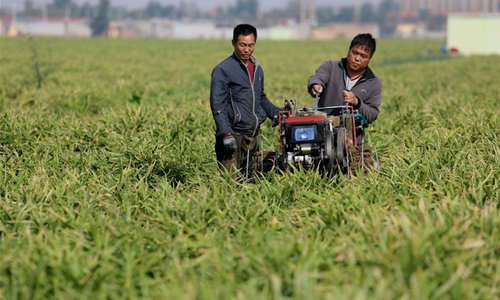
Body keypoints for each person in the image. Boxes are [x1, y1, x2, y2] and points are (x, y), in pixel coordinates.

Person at [210, 24, 280, 175]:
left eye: (250, 45)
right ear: (233, 43)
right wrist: (226, 133)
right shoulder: (223, 70)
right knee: (231, 184)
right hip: (233, 136)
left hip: (253, 136)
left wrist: (276, 112)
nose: (247, 50)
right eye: (242, 45)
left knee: (253, 181)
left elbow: (260, 97)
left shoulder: (257, 68)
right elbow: (217, 105)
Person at [308, 33, 382, 144]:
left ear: (369, 59)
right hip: (323, 133)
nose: (357, 58)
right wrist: (315, 85)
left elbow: (372, 115)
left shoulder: (374, 83)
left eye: (363, 56)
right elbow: (318, 77)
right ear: (349, 50)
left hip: (353, 139)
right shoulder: (331, 67)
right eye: (354, 52)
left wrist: (357, 102)